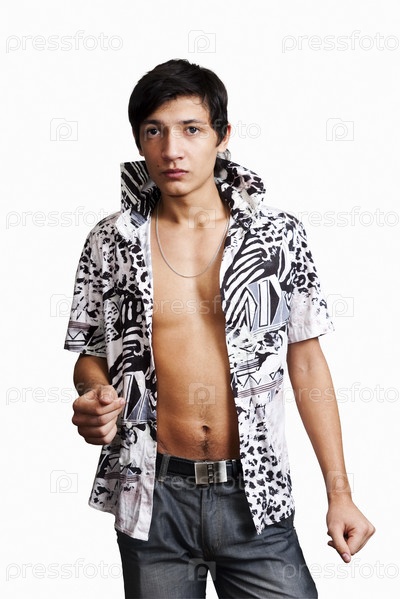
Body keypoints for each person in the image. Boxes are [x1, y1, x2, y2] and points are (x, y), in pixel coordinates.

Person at [65, 59, 375, 598]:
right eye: (154, 131)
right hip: (152, 497)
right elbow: (91, 355)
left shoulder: (277, 235)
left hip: (255, 497)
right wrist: (95, 394)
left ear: (222, 136)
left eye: (191, 129)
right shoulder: (109, 241)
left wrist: (340, 493)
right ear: (138, 140)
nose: (171, 150)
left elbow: (307, 364)